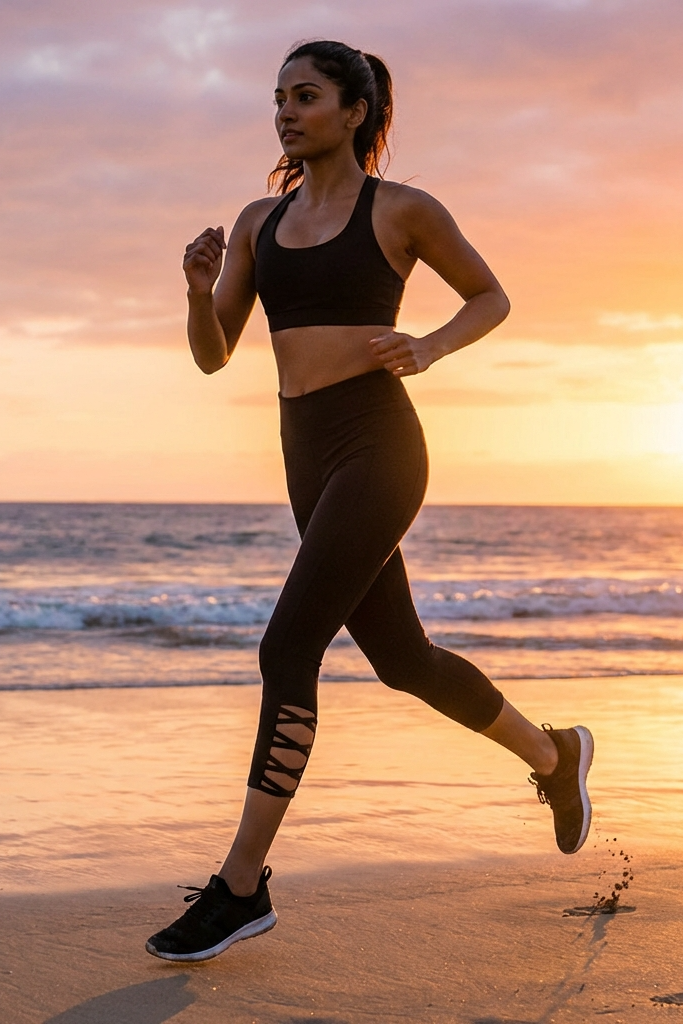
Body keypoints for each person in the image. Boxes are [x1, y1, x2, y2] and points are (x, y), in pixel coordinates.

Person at [146, 40, 593, 963]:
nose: (285, 112)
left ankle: (239, 888)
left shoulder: (402, 210)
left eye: (304, 96)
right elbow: (211, 353)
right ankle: (554, 757)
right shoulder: (257, 222)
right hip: (303, 453)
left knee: (287, 645)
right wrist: (198, 292)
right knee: (402, 660)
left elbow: (490, 295)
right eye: (278, 98)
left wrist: (427, 347)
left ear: (354, 111)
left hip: (380, 447)